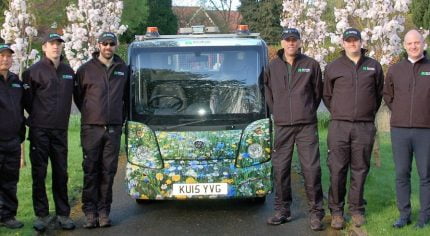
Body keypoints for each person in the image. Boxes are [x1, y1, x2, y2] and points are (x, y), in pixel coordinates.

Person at [264, 28, 325, 231]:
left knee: (311, 169)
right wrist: (278, 112)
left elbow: (317, 94)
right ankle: (283, 210)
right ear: (282, 43)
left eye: (294, 40)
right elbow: (267, 92)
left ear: (299, 43)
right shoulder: (272, 67)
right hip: (282, 126)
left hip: (306, 126)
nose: (291, 43)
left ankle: (316, 213)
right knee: (281, 169)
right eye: (287, 40)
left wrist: (305, 111)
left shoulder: (311, 65)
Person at [323, 28, 384, 230]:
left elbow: (377, 95)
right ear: (343, 43)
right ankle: (337, 212)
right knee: (337, 169)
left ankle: (356, 209)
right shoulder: (333, 67)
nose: (352, 44)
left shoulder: (373, 66)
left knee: (360, 169)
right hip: (339, 126)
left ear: (360, 42)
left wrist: (365, 114)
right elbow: (327, 96)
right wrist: (341, 113)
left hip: (364, 127)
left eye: (355, 40)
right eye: (348, 41)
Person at [74, 32, 129, 228]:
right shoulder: (85, 70)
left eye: (111, 44)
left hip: (113, 128)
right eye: (104, 43)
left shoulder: (124, 69)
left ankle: (104, 211)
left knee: (108, 171)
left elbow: (127, 97)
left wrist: (117, 119)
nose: (108, 47)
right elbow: (79, 97)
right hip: (91, 128)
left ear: (116, 45)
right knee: (91, 170)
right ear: (98, 45)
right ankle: (90, 212)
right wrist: (92, 114)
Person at [22, 33, 75, 231]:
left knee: (61, 172)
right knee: (39, 172)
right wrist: (39, 118)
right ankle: (42, 215)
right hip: (40, 131)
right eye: (52, 44)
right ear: (44, 47)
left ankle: (63, 214)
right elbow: (27, 100)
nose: (55, 47)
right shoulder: (33, 72)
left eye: (58, 44)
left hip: (60, 131)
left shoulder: (69, 71)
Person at [384, 29, 430, 229]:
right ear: (404, 45)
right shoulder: (395, 70)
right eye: (409, 43)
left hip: (425, 131)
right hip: (400, 130)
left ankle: (424, 217)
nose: (413, 46)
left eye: (417, 43)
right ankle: (404, 215)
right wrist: (402, 113)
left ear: (423, 44)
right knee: (402, 173)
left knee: (425, 175)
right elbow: (388, 95)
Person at [0, 43, 25, 229]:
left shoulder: (17, 82)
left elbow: (22, 107)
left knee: (10, 181)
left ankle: (8, 216)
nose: (5, 59)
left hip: (13, 141)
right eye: (1, 55)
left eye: (8, 56)